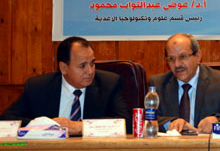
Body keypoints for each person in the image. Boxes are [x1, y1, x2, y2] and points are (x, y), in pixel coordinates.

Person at [0, 36, 131, 135]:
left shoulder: (108, 84)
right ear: (63, 68)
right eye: (82, 66)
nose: (90, 71)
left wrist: (79, 127)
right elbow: (7, 121)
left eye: (92, 63)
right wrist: (45, 125)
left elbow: (126, 124)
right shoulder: (38, 87)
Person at [149, 33, 220, 134]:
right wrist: (171, 122)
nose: (177, 64)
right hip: (172, 143)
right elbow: (149, 118)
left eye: (183, 57)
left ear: (198, 56)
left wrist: (217, 120)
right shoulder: (158, 84)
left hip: (206, 143)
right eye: (171, 59)